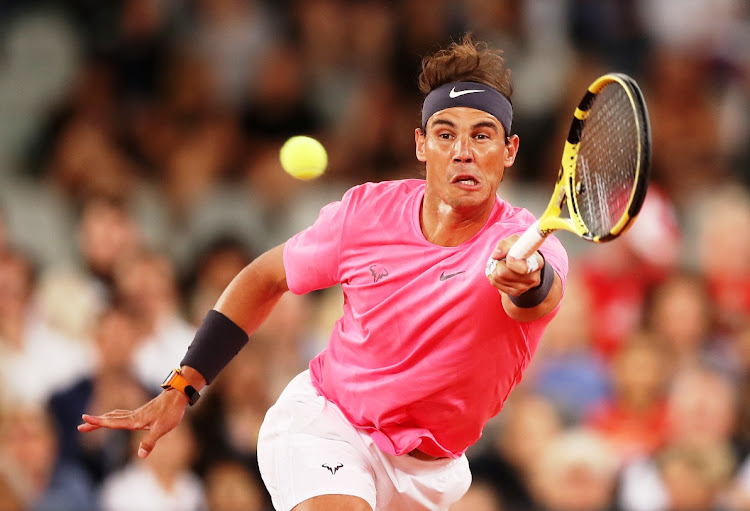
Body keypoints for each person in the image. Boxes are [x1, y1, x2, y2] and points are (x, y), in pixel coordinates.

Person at [79, 34, 568, 511]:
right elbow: (264, 277)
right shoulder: (365, 214)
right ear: (421, 145)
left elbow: (536, 293)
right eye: (445, 134)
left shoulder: (530, 248)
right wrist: (182, 386)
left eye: (482, 135)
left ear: (510, 150)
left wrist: (525, 280)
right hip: (329, 426)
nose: (463, 150)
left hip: (428, 474)